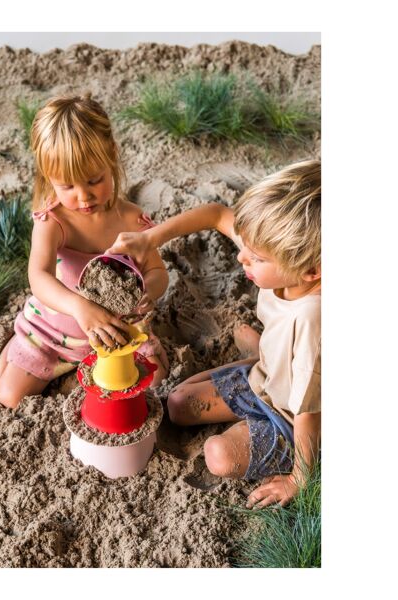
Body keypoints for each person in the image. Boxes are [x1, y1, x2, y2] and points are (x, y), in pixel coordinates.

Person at [107, 160, 321, 508]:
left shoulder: (313, 321)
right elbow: (217, 214)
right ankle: (264, 356)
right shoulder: (277, 247)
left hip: (295, 418)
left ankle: (269, 362)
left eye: (256, 258)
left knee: (219, 455)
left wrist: (300, 478)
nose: (241, 257)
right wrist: (149, 238)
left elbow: (308, 411)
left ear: (312, 270)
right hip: (266, 380)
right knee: (177, 404)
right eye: (245, 244)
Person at [0, 94, 169, 409]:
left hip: (120, 332)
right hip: (56, 335)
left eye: (94, 180)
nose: (84, 196)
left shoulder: (131, 219)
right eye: (67, 186)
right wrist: (79, 307)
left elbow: (157, 271)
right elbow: (39, 275)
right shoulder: (54, 221)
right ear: (48, 177)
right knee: (9, 396)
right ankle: (17, 349)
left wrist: (148, 293)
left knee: (157, 384)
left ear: (111, 155)